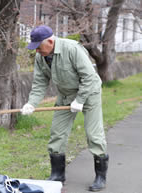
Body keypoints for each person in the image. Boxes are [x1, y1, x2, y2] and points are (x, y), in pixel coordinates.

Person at [21, 25, 108, 192]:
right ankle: (57, 175)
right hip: (66, 96)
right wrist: (31, 103)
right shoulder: (41, 57)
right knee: (57, 134)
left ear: (50, 41)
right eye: (35, 48)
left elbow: (89, 77)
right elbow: (40, 83)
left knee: (94, 135)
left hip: (89, 93)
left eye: (39, 47)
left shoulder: (72, 49)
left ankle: (100, 176)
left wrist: (80, 100)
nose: (37, 51)